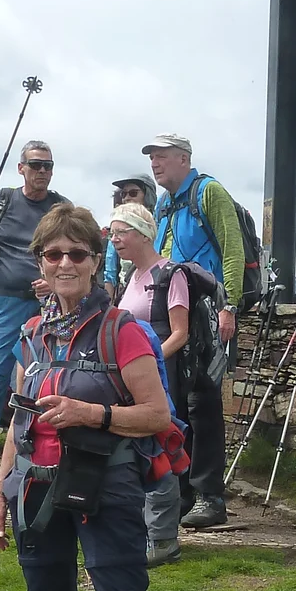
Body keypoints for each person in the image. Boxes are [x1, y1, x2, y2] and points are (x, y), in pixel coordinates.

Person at [0, 204, 191, 591]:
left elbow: (156, 415)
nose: (66, 262)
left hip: (107, 486)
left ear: (97, 261)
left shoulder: (122, 330)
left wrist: (90, 413)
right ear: (40, 266)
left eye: (77, 253)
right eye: (54, 254)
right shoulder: (32, 334)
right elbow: (19, 424)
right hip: (38, 487)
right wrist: (0, 493)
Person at [0, 142, 69, 507]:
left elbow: (66, 254)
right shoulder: (1, 202)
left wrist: (51, 282)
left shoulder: (60, 208)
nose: (43, 171)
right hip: (4, 302)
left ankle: (43, 470)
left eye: (48, 166)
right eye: (36, 165)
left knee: (48, 387)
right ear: (20, 167)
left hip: (48, 304)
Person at [144, 133, 239, 529]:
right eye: (152, 158)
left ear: (184, 159)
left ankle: (210, 496)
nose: (155, 163)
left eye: (162, 156)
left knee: (204, 403)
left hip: (206, 312)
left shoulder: (209, 192)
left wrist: (229, 306)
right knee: (177, 402)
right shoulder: (165, 203)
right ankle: (182, 494)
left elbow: (233, 247)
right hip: (175, 311)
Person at [110, 201, 190, 568]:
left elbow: (180, 333)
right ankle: (147, 533)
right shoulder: (133, 277)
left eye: (120, 232)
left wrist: (151, 361)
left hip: (158, 375)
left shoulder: (169, 275)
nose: (115, 240)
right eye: (112, 234)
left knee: (159, 447)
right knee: (138, 449)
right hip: (134, 375)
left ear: (142, 234)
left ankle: (163, 539)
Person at [102, 175, 157, 291]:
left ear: (148, 196)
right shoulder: (116, 230)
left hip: (153, 287)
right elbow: (110, 272)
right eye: (123, 194)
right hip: (125, 290)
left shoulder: (160, 224)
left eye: (133, 193)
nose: (126, 198)